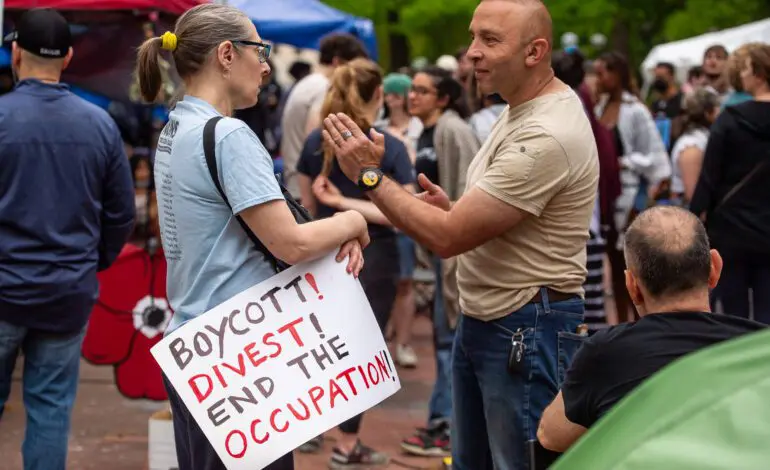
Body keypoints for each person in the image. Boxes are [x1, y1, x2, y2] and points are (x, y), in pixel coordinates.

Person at [322, 1, 599, 468]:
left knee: (518, 461)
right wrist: (457, 210)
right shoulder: (520, 109)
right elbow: (477, 225)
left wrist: (369, 176)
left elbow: (447, 238)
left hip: (523, 326)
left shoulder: (545, 133)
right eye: (474, 37)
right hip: (497, 320)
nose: (472, 53)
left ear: (535, 52)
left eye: (490, 41)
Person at [135, 5, 370, 470]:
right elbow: (292, 243)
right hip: (238, 365)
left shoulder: (177, 124)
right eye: (258, 50)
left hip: (197, 350)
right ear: (226, 54)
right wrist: (354, 223)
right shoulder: (227, 136)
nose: (265, 65)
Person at [0, 9, 135, 470]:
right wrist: (91, 261)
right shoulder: (99, 125)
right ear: (70, 57)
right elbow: (122, 213)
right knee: (50, 410)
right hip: (67, 291)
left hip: (4, 289)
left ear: (15, 53)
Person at [536, 206, 766, 452]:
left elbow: (551, 437)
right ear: (715, 268)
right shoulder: (758, 349)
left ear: (632, 285)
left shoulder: (605, 355)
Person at [296, 58, 414, 468]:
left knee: (319, 346)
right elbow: (406, 211)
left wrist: (334, 208)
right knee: (359, 351)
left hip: (321, 256)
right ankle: (347, 443)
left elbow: (304, 213)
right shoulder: (389, 145)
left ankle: (309, 428)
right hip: (375, 255)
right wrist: (350, 205)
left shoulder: (316, 141)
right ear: (379, 96)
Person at [690, 43, 770, 323]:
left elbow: (709, 178)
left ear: (758, 73)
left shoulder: (729, 119)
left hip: (730, 229)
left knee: (732, 315)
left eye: (746, 69)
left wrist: (691, 217)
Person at [594, 51, 671, 323]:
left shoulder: (635, 110)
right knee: (613, 264)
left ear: (618, 74)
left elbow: (653, 153)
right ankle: (621, 322)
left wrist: (626, 162)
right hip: (602, 195)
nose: (599, 78)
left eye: (603, 72)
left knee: (631, 264)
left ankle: (639, 321)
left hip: (629, 195)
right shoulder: (597, 108)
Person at [280, 33, 368, 199]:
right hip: (309, 190)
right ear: (337, 62)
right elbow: (314, 138)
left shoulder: (307, 83)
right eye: (353, 67)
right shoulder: (325, 87)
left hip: (296, 183)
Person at [374, 72, 422, 368]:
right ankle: (386, 336)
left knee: (405, 280)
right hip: (381, 212)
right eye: (387, 93)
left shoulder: (418, 128)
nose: (392, 98)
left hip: (405, 211)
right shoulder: (378, 129)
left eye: (397, 92)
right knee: (386, 280)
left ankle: (403, 342)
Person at [670, 88, 720, 205]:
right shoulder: (691, 146)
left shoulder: (703, 138)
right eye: (717, 107)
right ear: (708, 113)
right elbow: (692, 195)